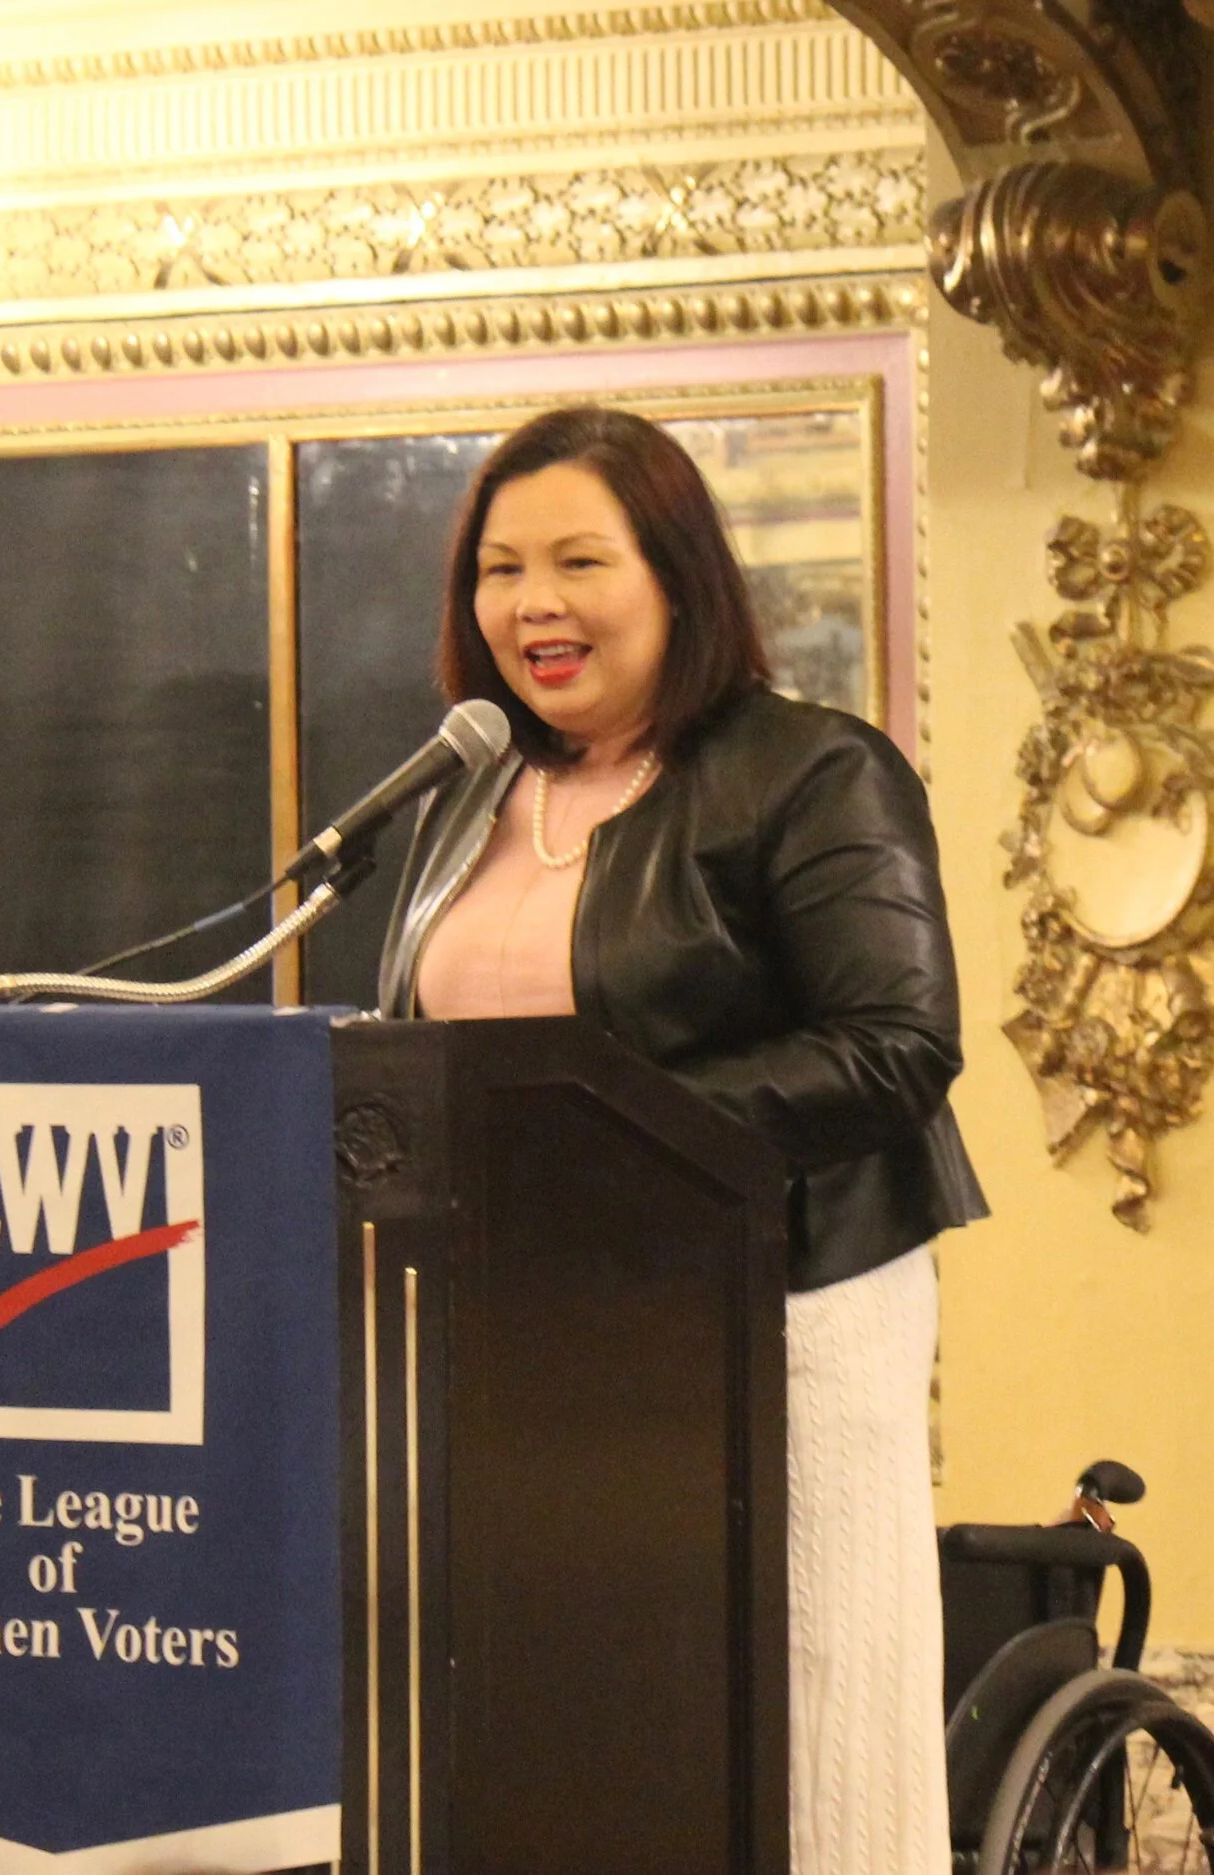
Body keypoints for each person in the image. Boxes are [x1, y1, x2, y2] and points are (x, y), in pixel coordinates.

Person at [376, 404, 985, 1875]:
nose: (534, 604)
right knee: (578, 1730)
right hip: (530, 1333)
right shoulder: (461, 798)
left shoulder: (809, 771)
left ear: (678, 578)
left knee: (806, 1722)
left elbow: (895, 1044)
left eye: (580, 559)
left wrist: (610, 1140)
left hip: (785, 1313)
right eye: (500, 568)